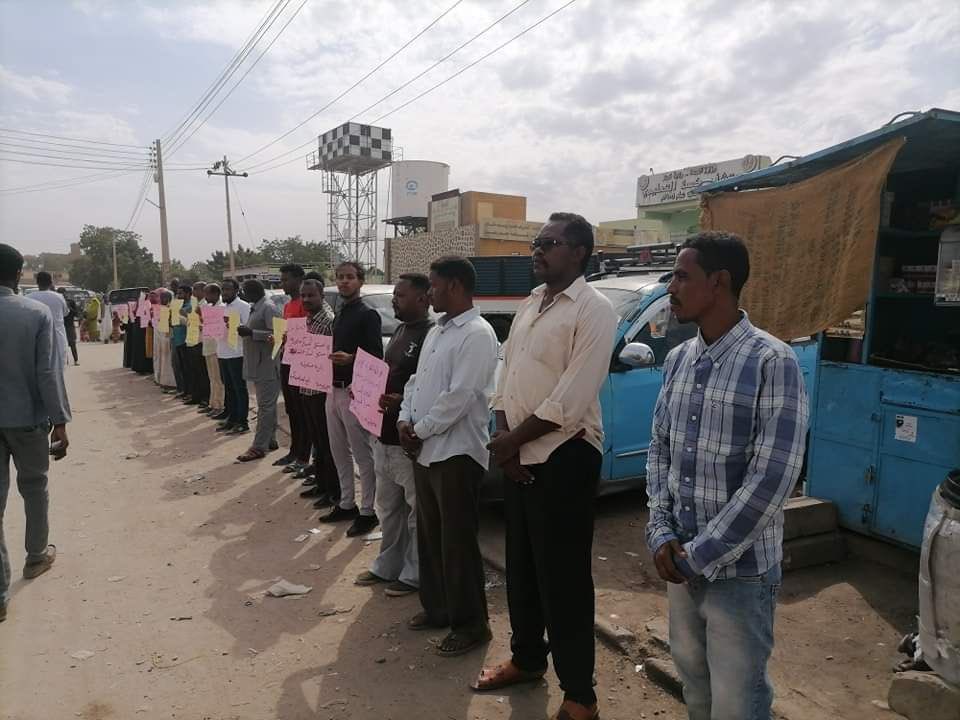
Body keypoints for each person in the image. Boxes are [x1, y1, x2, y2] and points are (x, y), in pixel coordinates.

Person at [645, 232, 809, 720]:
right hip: (680, 564)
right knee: (696, 688)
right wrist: (660, 531)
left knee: (738, 701)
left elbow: (771, 480)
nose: (670, 287)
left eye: (681, 276)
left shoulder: (772, 361)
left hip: (739, 574)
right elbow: (660, 451)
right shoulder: (679, 360)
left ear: (718, 282)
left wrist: (698, 555)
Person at [475, 214, 617, 720]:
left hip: (565, 457)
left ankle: (580, 695)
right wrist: (504, 438)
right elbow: (505, 373)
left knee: (565, 580)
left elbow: (571, 398)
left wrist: (512, 441)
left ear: (579, 252)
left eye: (549, 243)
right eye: (537, 243)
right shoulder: (532, 303)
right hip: (519, 455)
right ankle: (528, 659)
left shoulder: (594, 310)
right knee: (523, 572)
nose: (538, 251)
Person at [398, 256, 498, 657]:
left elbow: (460, 397)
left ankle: (472, 625)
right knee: (430, 537)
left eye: (434, 287)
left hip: (455, 453)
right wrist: (405, 418)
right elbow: (416, 382)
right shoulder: (439, 331)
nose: (429, 294)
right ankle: (437, 608)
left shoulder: (476, 333)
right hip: (425, 450)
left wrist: (418, 431)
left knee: (457, 544)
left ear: (455, 286)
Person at [0, 244, 71, 624]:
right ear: (18, 273)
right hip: (28, 419)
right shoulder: (35, 313)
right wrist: (60, 420)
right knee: (34, 487)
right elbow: (48, 373)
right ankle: (36, 556)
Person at [355, 273, 434, 598]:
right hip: (383, 434)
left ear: (422, 298)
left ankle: (414, 573)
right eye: (395, 295)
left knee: (417, 511)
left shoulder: (431, 335)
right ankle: (388, 564)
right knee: (388, 508)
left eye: (400, 296)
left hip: (408, 438)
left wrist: (401, 401)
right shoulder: (401, 330)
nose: (394, 301)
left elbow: (428, 386)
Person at [319, 261, 383, 537]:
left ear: (360, 281)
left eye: (349, 277)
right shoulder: (341, 312)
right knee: (338, 450)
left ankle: (368, 511)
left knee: (362, 454)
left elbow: (377, 357)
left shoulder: (368, 314)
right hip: (332, 389)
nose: (344, 282)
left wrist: (352, 359)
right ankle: (347, 503)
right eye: (340, 277)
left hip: (354, 391)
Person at [294, 278, 339, 508]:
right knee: (318, 443)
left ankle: (334, 491)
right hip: (307, 386)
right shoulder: (309, 320)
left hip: (321, 390)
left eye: (311, 295)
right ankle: (322, 483)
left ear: (322, 296)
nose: (306, 299)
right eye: (303, 295)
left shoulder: (328, 322)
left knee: (328, 443)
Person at [235, 280, 280, 461]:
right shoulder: (257, 307)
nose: (242, 295)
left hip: (267, 366)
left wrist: (252, 333)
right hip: (258, 364)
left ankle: (258, 447)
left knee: (265, 407)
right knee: (268, 406)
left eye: (244, 291)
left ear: (254, 292)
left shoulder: (269, 307)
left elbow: (277, 335)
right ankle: (270, 439)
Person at [274, 264, 312, 472]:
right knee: (292, 410)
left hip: (302, 364)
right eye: (282, 280)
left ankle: (304, 456)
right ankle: (295, 451)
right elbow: (286, 332)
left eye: (286, 279)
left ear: (299, 280)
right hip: (287, 360)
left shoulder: (305, 304)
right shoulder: (288, 305)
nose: (283, 284)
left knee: (302, 412)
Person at [216, 279, 250, 433]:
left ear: (236, 290)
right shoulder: (221, 307)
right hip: (222, 352)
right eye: (223, 289)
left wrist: (234, 325)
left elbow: (249, 328)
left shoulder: (243, 306)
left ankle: (242, 421)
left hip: (237, 353)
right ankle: (232, 418)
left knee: (239, 389)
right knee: (228, 388)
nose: (225, 292)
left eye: (228, 289)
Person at [28, 271, 68, 367]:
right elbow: (65, 313)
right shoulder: (59, 297)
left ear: (37, 282)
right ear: (51, 282)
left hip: (35, 340)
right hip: (58, 339)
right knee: (58, 372)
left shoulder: (28, 298)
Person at [201, 284, 226, 417]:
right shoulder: (209, 308)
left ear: (216, 294)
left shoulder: (222, 308)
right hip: (208, 346)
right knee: (212, 378)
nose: (206, 297)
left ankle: (220, 405)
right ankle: (213, 404)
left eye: (207, 294)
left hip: (217, 348)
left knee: (218, 379)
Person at [186, 281, 210, 409]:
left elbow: (207, 325)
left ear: (202, 291)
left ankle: (205, 398)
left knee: (202, 373)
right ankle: (196, 396)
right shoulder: (195, 304)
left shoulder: (205, 305)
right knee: (194, 371)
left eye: (195, 289)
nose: (193, 292)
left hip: (201, 341)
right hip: (192, 340)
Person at [152, 289, 176, 391]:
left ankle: (171, 383)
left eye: (165, 297)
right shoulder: (159, 309)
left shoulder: (172, 309)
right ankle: (162, 380)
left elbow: (173, 324)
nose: (162, 299)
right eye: (161, 297)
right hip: (160, 338)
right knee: (161, 359)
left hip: (168, 338)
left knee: (169, 362)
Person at [172, 286, 192, 399]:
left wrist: (181, 314)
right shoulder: (179, 305)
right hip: (177, 340)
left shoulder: (189, 306)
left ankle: (190, 392)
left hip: (186, 340)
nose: (179, 296)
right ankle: (185, 390)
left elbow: (191, 322)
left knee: (188, 368)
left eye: (181, 294)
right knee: (182, 368)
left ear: (188, 294)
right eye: (177, 294)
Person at [58, 288, 79, 365]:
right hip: (61, 326)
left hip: (69, 325)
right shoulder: (58, 302)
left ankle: (76, 360)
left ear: (65, 293)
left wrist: (68, 307)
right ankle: (65, 361)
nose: (62, 295)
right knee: (62, 345)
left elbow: (76, 313)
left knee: (72, 343)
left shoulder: (71, 302)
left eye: (63, 293)